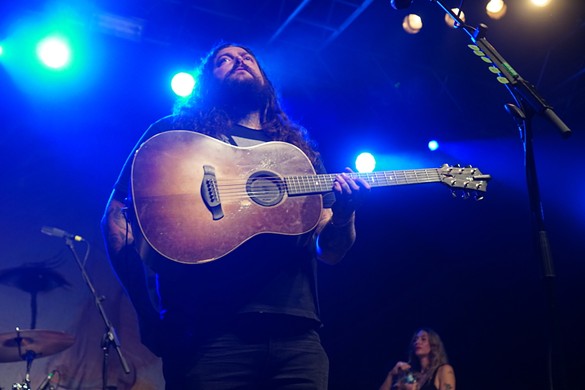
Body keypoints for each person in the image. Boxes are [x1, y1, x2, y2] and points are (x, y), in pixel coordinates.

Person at [101, 41, 370, 389]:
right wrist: (144, 312)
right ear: (206, 81)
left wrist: (345, 215)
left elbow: (330, 251)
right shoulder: (175, 136)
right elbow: (118, 214)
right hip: (206, 334)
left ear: (265, 79)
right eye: (223, 60)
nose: (238, 61)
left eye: (247, 57)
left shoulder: (297, 155)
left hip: (296, 336)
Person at [379, 328, 456, 390]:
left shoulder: (444, 370)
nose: (417, 342)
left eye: (423, 339)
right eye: (415, 340)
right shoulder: (411, 375)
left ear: (433, 345)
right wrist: (391, 374)